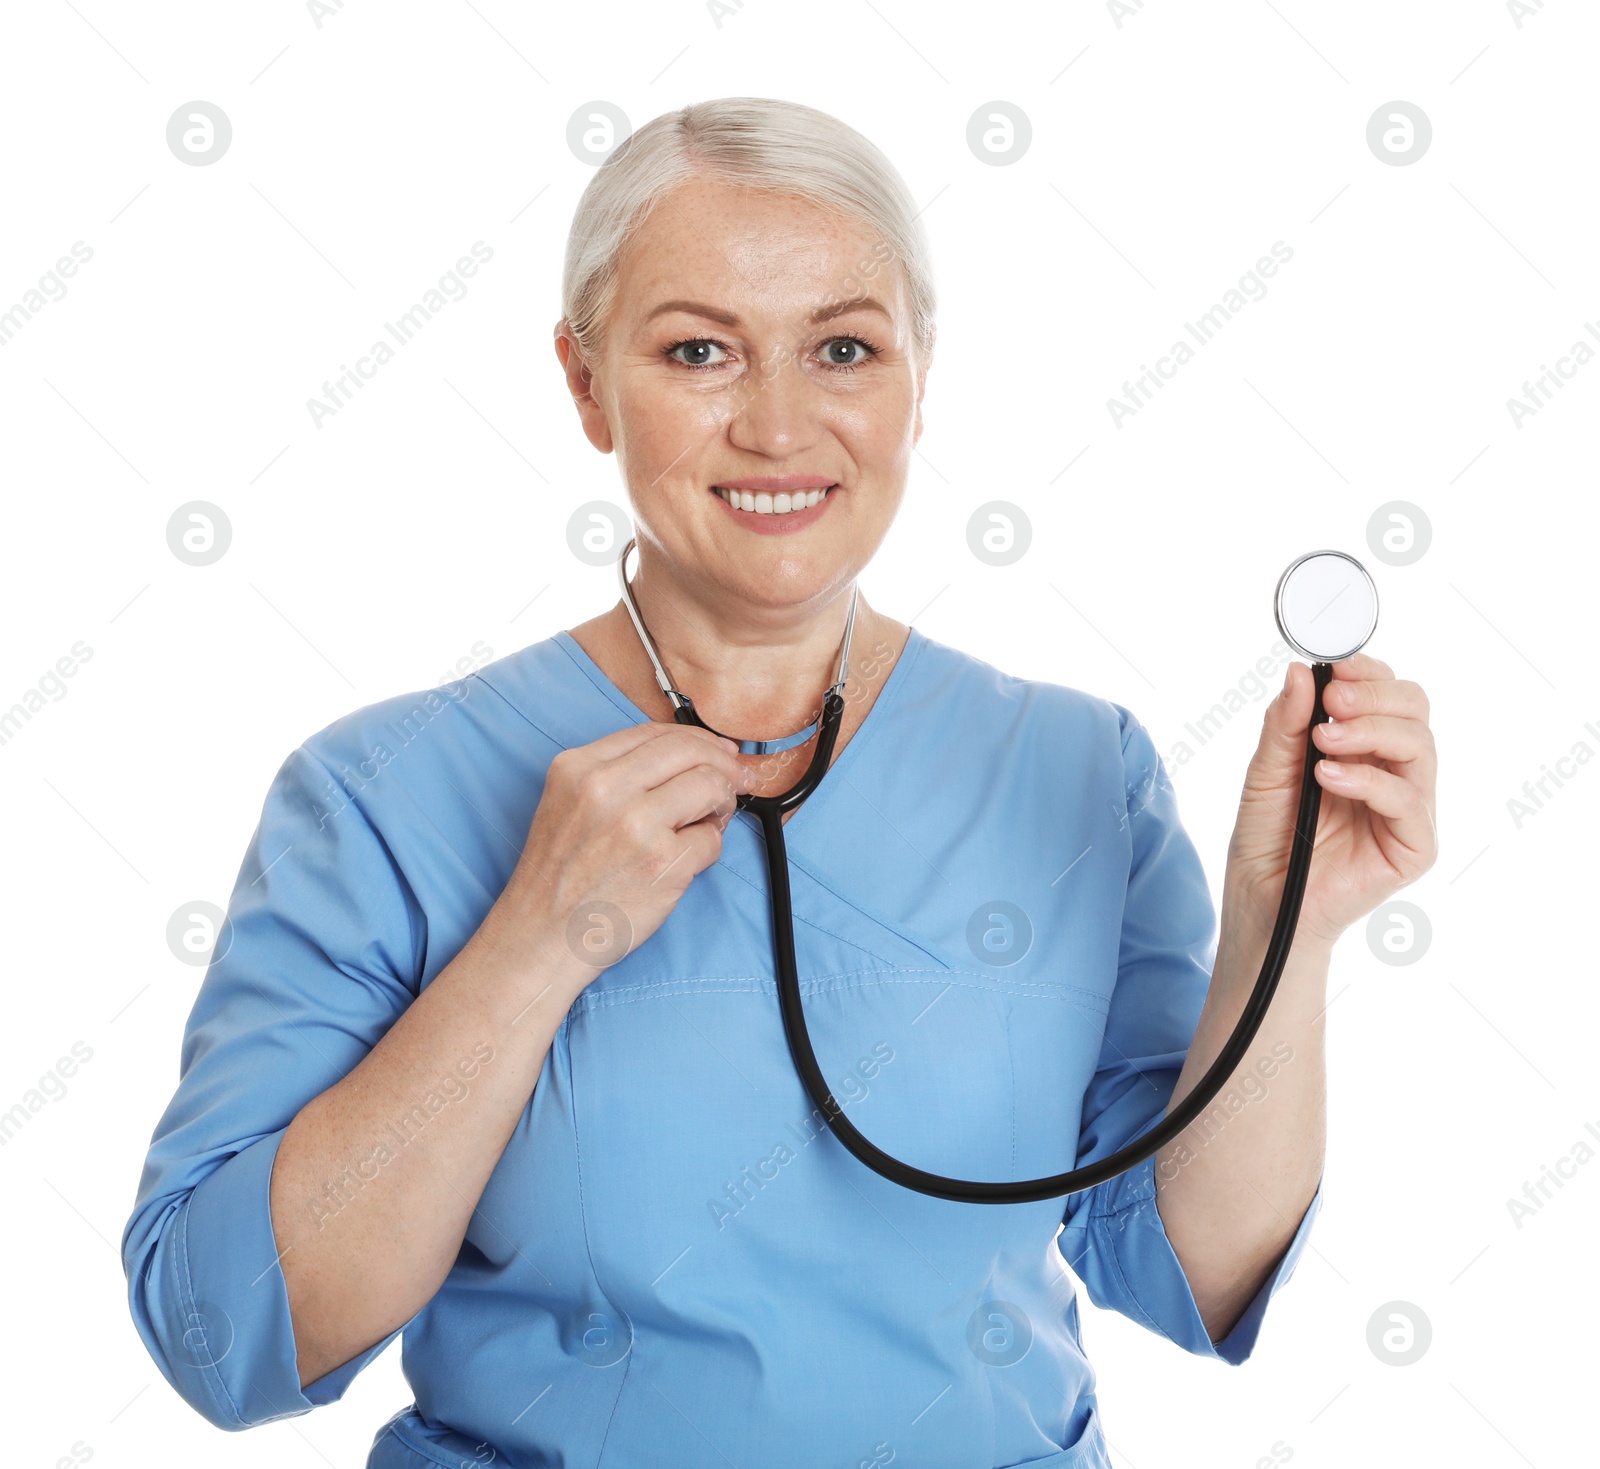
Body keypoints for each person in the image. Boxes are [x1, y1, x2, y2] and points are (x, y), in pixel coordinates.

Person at [121, 97, 1438, 1469]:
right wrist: (531, 945)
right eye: (699, 350)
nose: (778, 422)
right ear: (584, 384)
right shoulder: (382, 794)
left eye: (845, 350)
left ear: (921, 381)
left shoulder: (1076, 772)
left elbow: (1185, 1263)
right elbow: (227, 1334)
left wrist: (1294, 926)